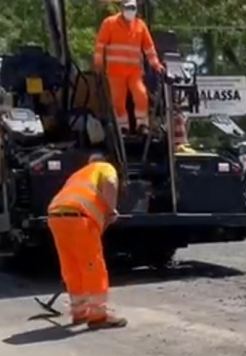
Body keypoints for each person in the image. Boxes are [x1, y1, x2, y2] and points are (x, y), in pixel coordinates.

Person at [47, 154, 126, 329]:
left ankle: (79, 312)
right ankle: (98, 315)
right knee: (92, 265)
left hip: (55, 216)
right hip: (79, 217)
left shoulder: (78, 174)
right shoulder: (104, 167)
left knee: (71, 265)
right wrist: (111, 211)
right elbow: (111, 183)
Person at [93, 0, 164, 134]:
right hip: (115, 71)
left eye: (133, 8)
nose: (130, 11)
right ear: (122, 8)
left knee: (141, 95)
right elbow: (100, 45)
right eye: (127, 8)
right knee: (118, 100)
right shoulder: (109, 23)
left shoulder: (140, 26)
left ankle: (142, 125)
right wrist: (98, 64)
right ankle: (122, 127)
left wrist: (156, 65)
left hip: (134, 71)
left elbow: (149, 48)